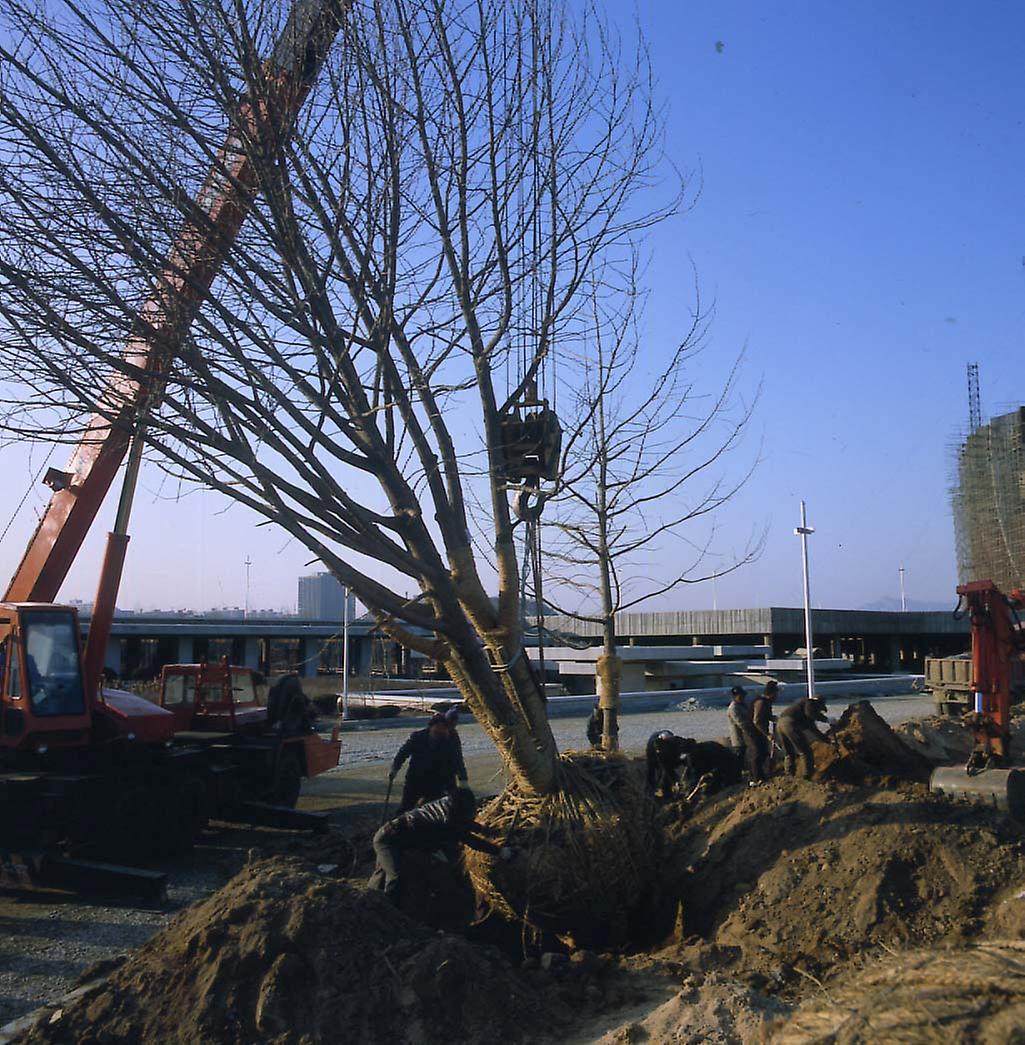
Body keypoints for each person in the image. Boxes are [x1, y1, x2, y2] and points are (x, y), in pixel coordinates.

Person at [369, 788, 513, 903]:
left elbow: (463, 824)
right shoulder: (446, 819)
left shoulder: (448, 804)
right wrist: (501, 852)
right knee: (395, 876)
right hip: (388, 840)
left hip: (400, 838)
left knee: (381, 874)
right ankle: (389, 909)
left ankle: (371, 901)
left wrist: (485, 830)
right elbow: (470, 840)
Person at [390, 713, 461, 812]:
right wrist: (395, 768)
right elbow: (403, 753)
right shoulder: (417, 737)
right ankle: (395, 826)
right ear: (431, 726)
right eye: (437, 727)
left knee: (433, 811)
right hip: (415, 780)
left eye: (443, 728)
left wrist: (453, 787)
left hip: (436, 783)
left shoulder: (448, 742)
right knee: (405, 808)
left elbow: (453, 764)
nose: (439, 730)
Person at [776, 695, 830, 779]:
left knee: (789, 752)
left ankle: (789, 775)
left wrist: (827, 740)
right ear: (818, 704)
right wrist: (826, 720)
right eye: (820, 709)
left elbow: (814, 730)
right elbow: (811, 714)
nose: (819, 711)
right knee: (805, 751)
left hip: (780, 725)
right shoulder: (809, 703)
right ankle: (807, 776)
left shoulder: (802, 709)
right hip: (790, 724)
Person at [726, 686, 767, 782]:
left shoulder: (743, 705)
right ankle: (736, 779)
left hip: (747, 737)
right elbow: (741, 723)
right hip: (739, 738)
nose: (742, 698)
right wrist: (754, 729)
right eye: (740, 696)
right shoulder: (733, 708)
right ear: (734, 696)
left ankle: (748, 776)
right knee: (739, 759)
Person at [645, 730, 689, 798]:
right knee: (652, 769)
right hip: (652, 751)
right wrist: (676, 780)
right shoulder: (656, 749)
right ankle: (654, 791)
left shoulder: (677, 742)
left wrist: (685, 761)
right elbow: (666, 768)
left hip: (668, 742)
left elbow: (690, 746)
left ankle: (669, 791)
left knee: (674, 764)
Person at [751, 680, 778, 777]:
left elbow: (766, 715)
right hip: (754, 732)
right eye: (776, 694)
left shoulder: (767, 702)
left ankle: (764, 773)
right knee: (758, 754)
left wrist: (773, 718)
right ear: (772, 693)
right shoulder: (761, 702)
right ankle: (756, 777)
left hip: (761, 731)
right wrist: (767, 734)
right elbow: (756, 721)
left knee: (763, 752)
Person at [444, 707, 470, 789]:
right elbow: (458, 757)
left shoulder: (453, 734)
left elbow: (458, 756)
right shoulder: (446, 733)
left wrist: (463, 776)